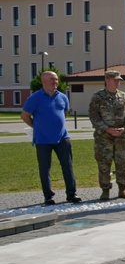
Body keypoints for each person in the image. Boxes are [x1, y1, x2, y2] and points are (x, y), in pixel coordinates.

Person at [21, 71, 82, 206]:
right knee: (45, 168)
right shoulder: (34, 98)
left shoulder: (63, 97)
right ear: (44, 82)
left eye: (56, 80)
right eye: (52, 80)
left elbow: (64, 113)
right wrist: (37, 127)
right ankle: (48, 197)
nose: (56, 82)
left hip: (62, 139)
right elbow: (25, 116)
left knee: (68, 166)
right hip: (42, 140)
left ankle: (71, 194)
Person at [88, 70, 125, 200]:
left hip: (121, 137)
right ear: (107, 80)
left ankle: (123, 189)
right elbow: (94, 116)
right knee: (104, 164)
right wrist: (106, 129)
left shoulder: (124, 96)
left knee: (122, 163)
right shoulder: (98, 97)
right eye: (115, 80)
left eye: (119, 80)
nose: (118, 82)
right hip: (104, 137)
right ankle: (105, 190)